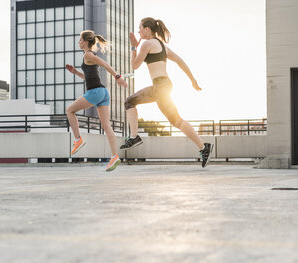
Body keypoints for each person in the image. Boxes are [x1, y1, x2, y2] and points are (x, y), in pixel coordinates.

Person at [120, 17, 213, 167]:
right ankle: (204, 147)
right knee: (176, 121)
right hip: (165, 85)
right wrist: (192, 80)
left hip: (159, 86)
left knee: (129, 101)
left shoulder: (147, 43)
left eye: (140, 28)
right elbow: (180, 61)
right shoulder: (162, 46)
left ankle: (134, 137)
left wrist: (133, 48)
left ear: (147, 30)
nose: (138, 31)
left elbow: (135, 65)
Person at [65, 30, 127, 171]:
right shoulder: (89, 55)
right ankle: (114, 156)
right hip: (103, 92)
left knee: (69, 110)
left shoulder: (88, 54)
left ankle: (78, 140)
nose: (78, 42)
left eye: (80, 40)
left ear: (86, 42)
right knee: (106, 126)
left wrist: (118, 77)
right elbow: (88, 77)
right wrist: (75, 72)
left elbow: (105, 64)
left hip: (95, 92)